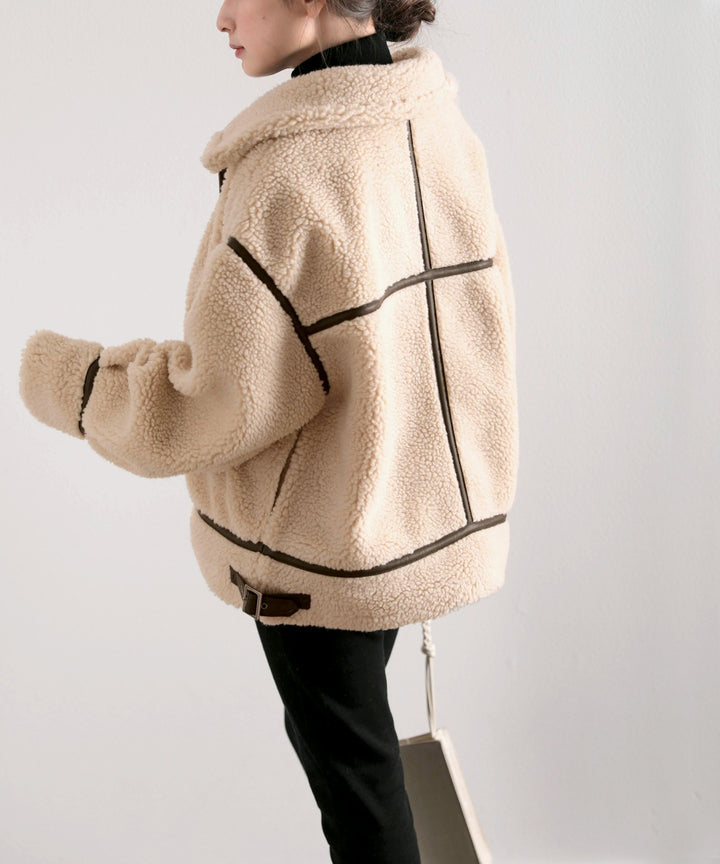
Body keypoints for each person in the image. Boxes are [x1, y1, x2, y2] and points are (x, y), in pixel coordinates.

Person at [19, 0, 519, 861]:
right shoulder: (436, 123)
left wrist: (67, 379)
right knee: (365, 771)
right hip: (407, 525)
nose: (220, 16)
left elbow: (215, 406)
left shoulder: (290, 170)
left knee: (359, 797)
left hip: (318, 557)